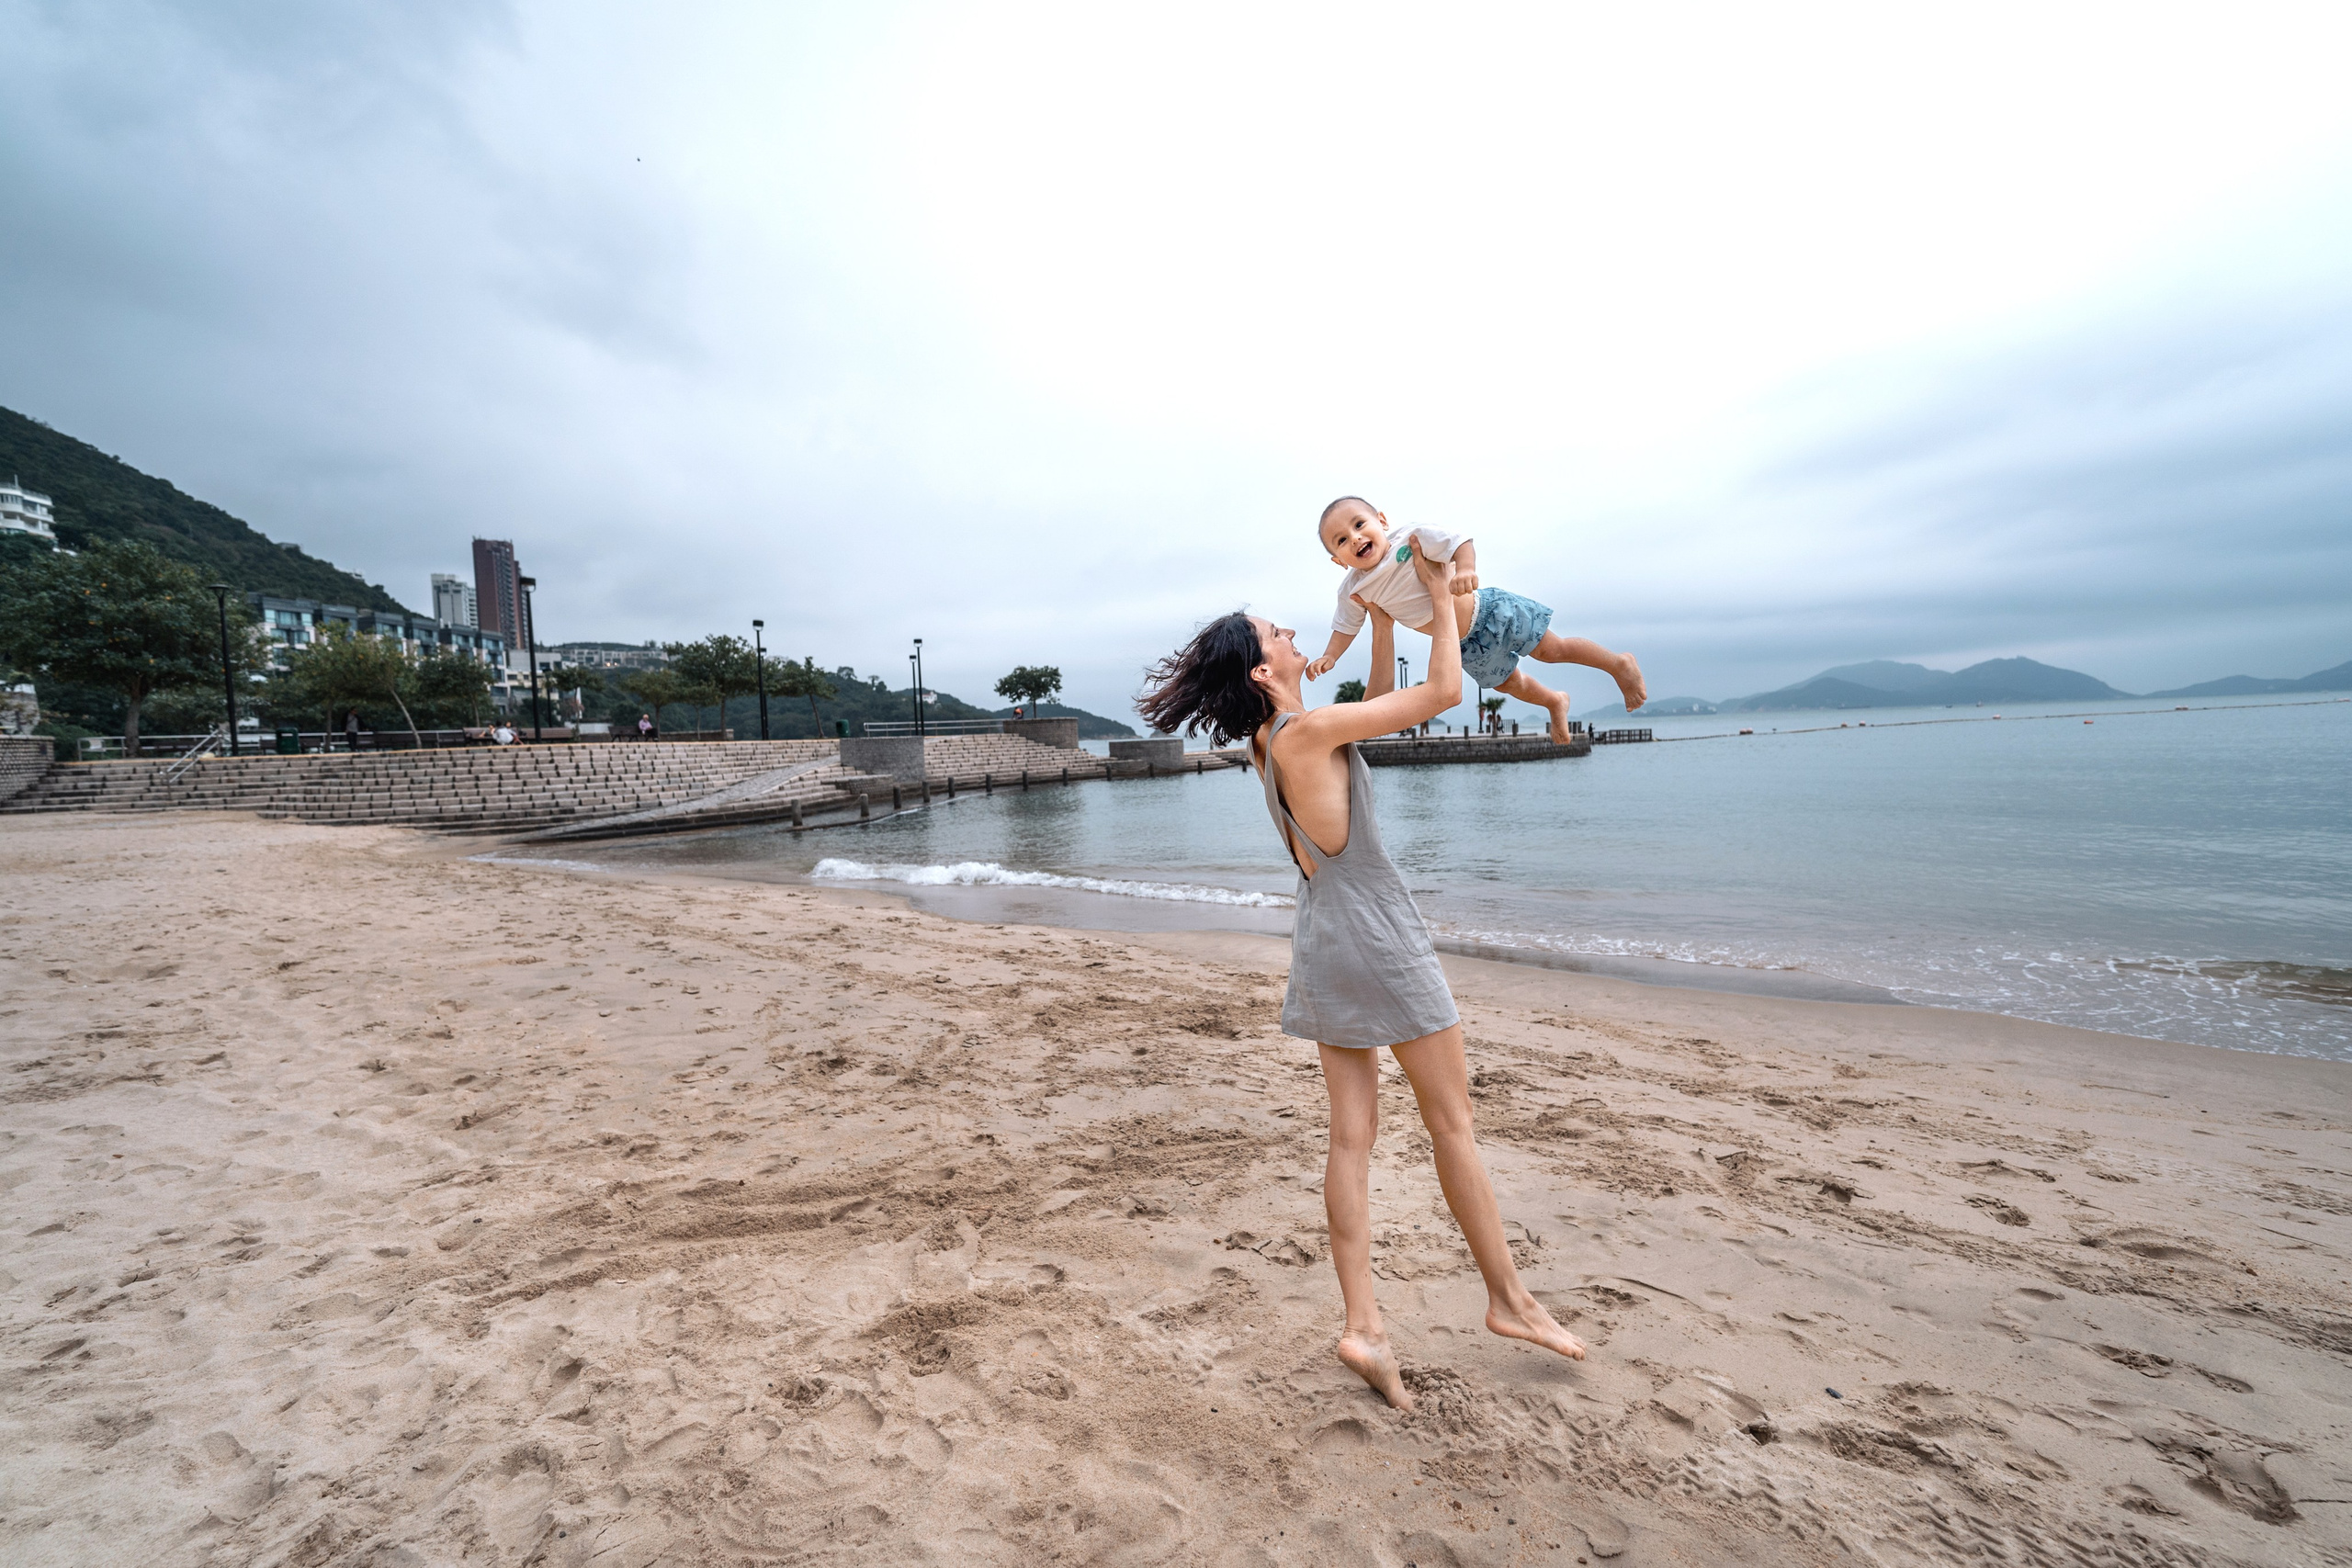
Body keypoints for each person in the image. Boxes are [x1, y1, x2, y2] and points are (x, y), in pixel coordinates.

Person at [1137, 548, 1586, 1410]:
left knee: (1352, 1139)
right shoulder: (1304, 732)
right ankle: (1510, 1299)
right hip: (1378, 936)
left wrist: (1385, 604)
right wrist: (1449, 608)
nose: (1296, 629)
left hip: (1324, 940)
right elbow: (1441, 696)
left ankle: (1366, 1327)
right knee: (1452, 1125)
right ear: (1264, 668)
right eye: (1279, 630)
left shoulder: (1278, 739)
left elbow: (1377, 691)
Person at [1302, 495, 1645, 742]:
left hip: (1490, 611)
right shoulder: (1354, 588)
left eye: (1360, 525)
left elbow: (1459, 541)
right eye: (1342, 541)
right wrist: (1331, 656)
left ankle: (1618, 664)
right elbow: (1345, 626)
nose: (1356, 538)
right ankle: (1554, 701)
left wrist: (1466, 568)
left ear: (1382, 520)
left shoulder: (1410, 538)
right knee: (1512, 684)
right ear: (1338, 560)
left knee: (1552, 650)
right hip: (1462, 647)